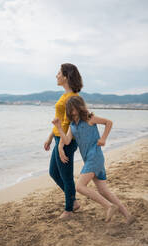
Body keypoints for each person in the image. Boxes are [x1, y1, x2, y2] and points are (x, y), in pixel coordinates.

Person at [52, 96, 135, 224]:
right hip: (90, 160)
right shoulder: (72, 125)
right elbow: (67, 140)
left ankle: (109, 206)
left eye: (74, 105)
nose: (72, 109)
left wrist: (103, 139)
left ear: (79, 106)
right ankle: (128, 216)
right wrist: (58, 127)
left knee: (79, 186)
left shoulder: (90, 118)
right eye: (70, 107)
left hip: (95, 157)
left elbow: (109, 122)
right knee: (103, 190)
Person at [44, 63, 82, 220]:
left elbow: (70, 125)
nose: (56, 76)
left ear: (66, 76)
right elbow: (59, 121)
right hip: (59, 137)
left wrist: (61, 145)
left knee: (66, 177)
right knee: (53, 172)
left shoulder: (73, 98)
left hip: (66, 140)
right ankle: (73, 201)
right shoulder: (64, 96)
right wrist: (50, 137)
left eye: (59, 73)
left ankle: (69, 210)